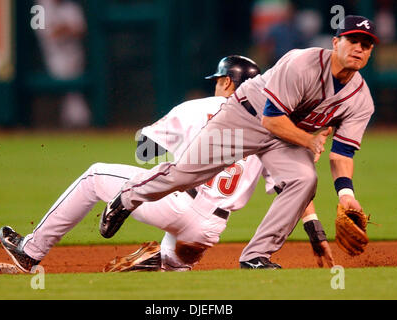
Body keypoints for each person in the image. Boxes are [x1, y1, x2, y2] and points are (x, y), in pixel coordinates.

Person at [0, 56, 333, 273]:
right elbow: (289, 186)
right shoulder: (271, 125)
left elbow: (144, 152)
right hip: (209, 230)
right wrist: (314, 227)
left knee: (95, 175)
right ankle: (164, 261)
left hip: (172, 202)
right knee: (171, 267)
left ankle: (30, 251)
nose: (216, 85)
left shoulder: (198, 107)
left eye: (218, 80)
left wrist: (147, 134)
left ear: (229, 83)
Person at [98, 15, 378, 269]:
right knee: (185, 175)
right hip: (245, 118)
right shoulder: (302, 63)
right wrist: (309, 141)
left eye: (366, 45)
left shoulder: (361, 99)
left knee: (304, 179)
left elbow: (342, 154)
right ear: (335, 42)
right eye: (352, 40)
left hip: (284, 137)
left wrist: (346, 195)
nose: (358, 48)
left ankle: (256, 256)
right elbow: (271, 121)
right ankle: (127, 197)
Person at [34, 0, 91, 128]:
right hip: (52, 56)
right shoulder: (40, 7)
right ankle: (73, 122)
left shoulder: (71, 6)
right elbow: (45, 34)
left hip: (74, 54)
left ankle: (75, 123)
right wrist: (65, 28)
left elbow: (81, 29)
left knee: (74, 92)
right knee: (69, 91)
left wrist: (64, 29)